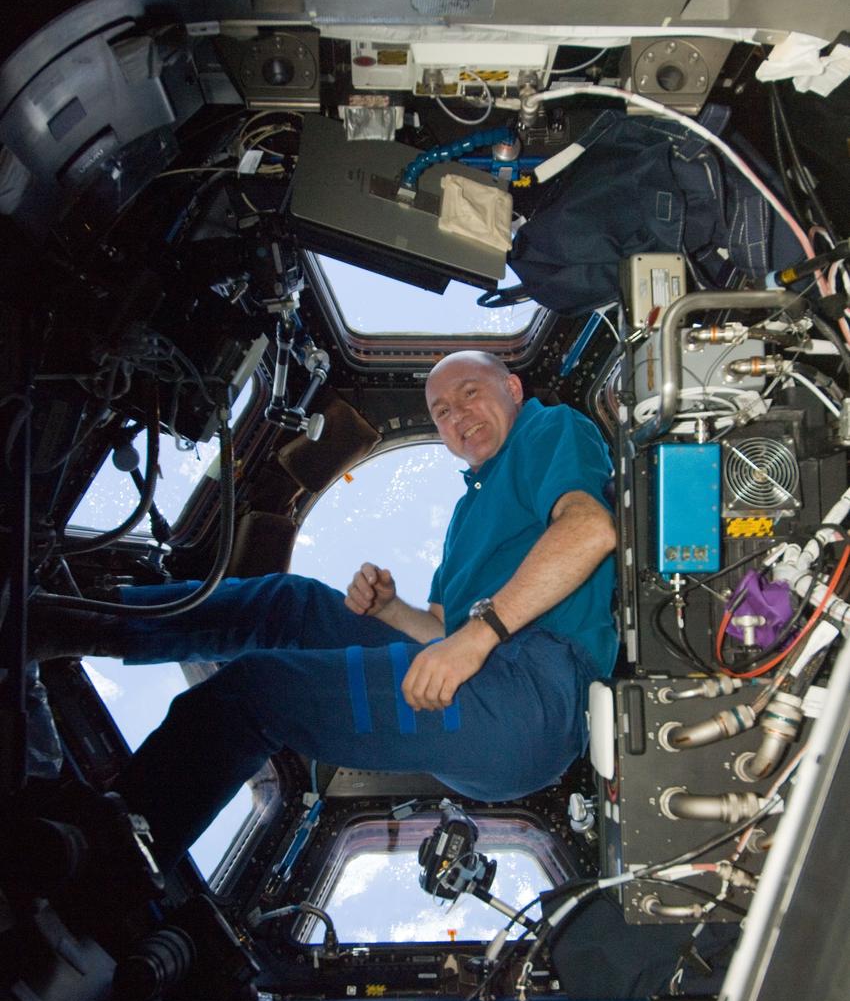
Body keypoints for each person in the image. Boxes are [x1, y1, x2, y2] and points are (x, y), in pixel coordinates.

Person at [35, 351, 617, 873]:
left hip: (535, 697)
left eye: (470, 392)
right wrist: (390, 610)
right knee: (290, 603)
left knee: (257, 693)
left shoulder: (548, 427)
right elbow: (440, 633)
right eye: (440, 411)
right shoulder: (468, 516)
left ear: (513, 389)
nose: (457, 415)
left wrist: (478, 635)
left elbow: (589, 530)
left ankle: (108, 861)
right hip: (484, 680)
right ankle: (72, 622)